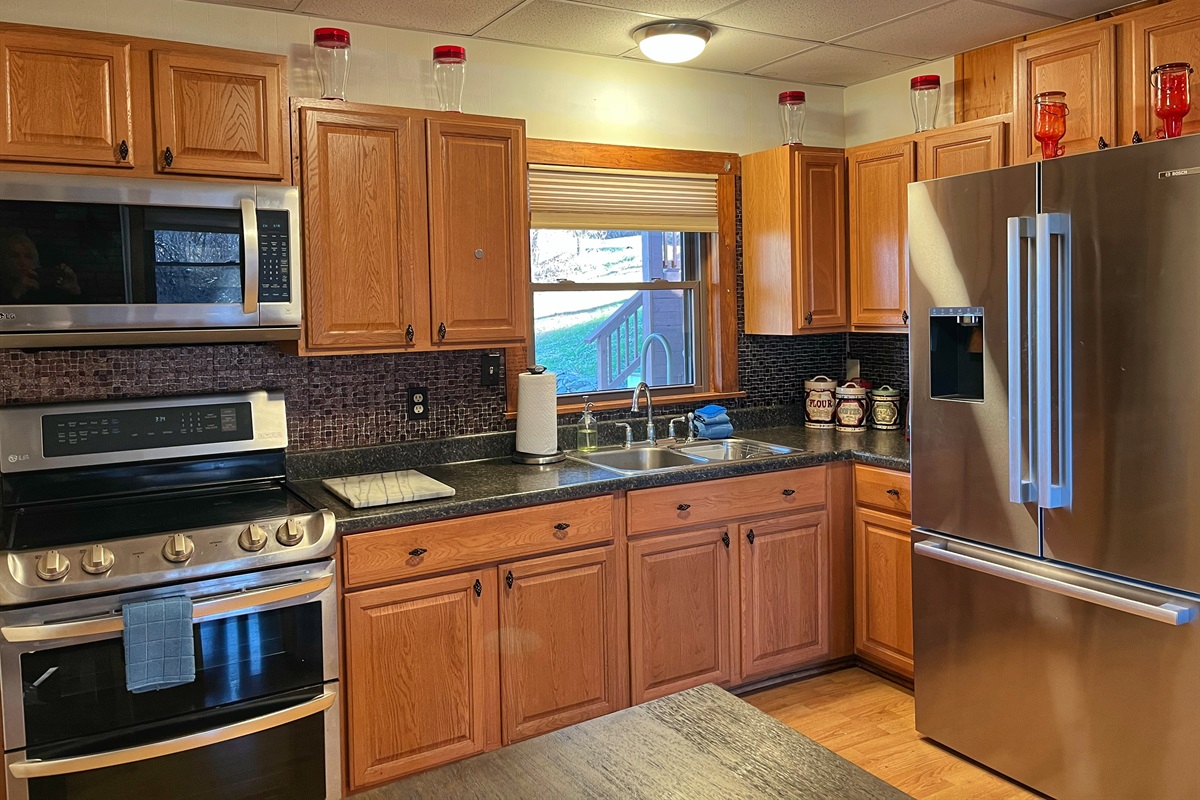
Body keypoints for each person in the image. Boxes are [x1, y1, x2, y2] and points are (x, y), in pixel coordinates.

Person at [0, 229, 80, 305]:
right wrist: (16, 293)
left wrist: (74, 292)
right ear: (4, 259)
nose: (22, 262)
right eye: (15, 256)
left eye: (28, 257)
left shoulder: (44, 290)